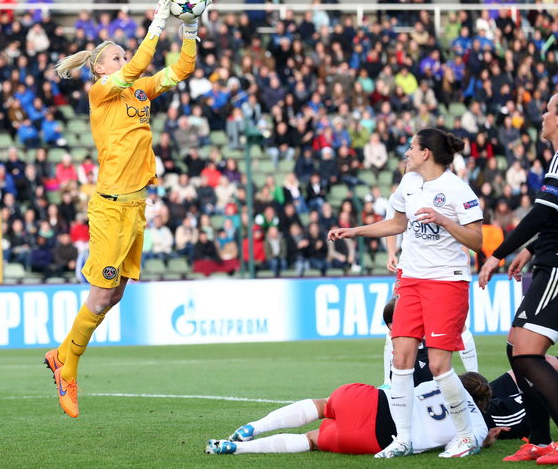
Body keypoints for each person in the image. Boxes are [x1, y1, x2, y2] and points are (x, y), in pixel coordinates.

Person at [45, 0, 198, 418]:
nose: (125, 59)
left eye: (124, 54)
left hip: (136, 206)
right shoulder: (101, 92)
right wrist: (159, 22)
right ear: (99, 69)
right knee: (100, 294)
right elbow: (140, 65)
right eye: (116, 56)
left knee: (114, 297)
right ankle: (67, 366)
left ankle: (60, 354)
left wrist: (190, 28)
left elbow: (180, 70)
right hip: (111, 206)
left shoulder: (138, 90)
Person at [328, 128, 484, 458]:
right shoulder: (409, 183)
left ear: (426, 153)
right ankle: (403, 439)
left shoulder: (457, 190)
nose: (407, 153)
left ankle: (466, 434)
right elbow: (396, 223)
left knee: (440, 364)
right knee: (401, 360)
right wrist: (354, 231)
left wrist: (443, 220)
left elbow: (476, 241)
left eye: (412, 147)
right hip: (411, 280)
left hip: (446, 282)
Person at [478, 92, 558, 464]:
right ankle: (539, 438)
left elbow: (541, 213)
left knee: (527, 352)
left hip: (556, 268)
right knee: (516, 349)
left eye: (549, 110)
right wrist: (528, 250)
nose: (542, 116)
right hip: (545, 261)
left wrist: (498, 253)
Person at [205, 372, 499, 457]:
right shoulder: (476, 423)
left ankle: (252, 427)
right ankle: (239, 449)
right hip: (379, 437)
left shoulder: (441, 381)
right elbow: (455, 449)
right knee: (312, 440)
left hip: (375, 400)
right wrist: (483, 440)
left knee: (322, 406)